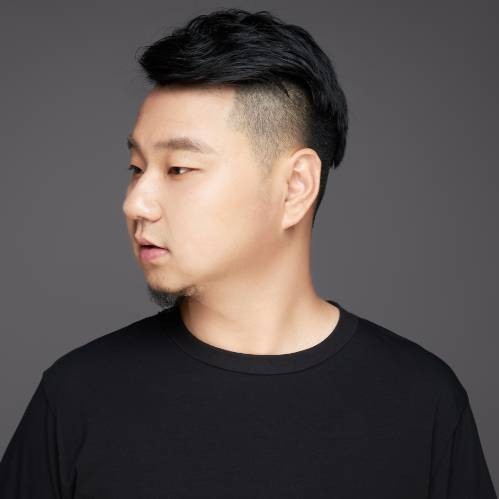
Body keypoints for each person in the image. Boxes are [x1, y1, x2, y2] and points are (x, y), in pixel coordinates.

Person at [0, 7, 496, 498]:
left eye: (178, 169)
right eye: (136, 168)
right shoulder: (77, 398)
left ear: (295, 186)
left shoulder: (423, 401)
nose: (136, 203)